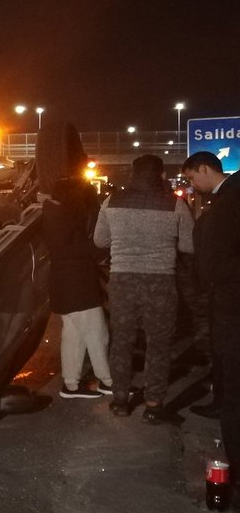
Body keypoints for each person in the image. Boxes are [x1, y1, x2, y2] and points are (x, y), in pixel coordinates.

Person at [94, 154, 194, 423]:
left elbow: (100, 240)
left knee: (122, 340)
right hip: (160, 281)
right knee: (159, 343)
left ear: (133, 173)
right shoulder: (175, 204)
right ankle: (153, 403)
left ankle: (120, 400)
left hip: (122, 280)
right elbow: (188, 245)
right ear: (161, 175)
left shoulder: (111, 202)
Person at [182, 151, 240, 487]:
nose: (192, 186)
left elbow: (213, 262)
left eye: (192, 178)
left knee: (234, 385)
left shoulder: (226, 203)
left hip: (231, 303)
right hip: (228, 300)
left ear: (204, 169)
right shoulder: (227, 199)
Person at [39, 139, 113, 399]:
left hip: (65, 285)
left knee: (74, 336)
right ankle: (107, 380)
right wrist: (98, 249)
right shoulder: (63, 217)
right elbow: (71, 248)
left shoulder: (54, 214)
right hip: (78, 286)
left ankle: (71, 384)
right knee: (97, 333)